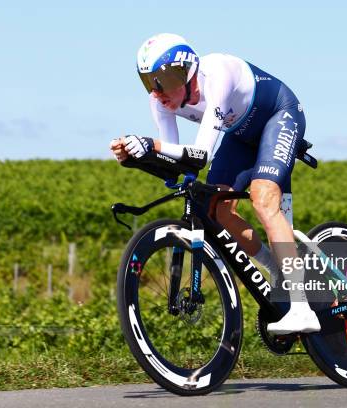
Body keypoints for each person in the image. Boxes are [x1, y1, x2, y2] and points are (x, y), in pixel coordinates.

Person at [110, 33, 320, 334]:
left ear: (187, 71)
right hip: (241, 135)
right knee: (216, 210)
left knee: (263, 199)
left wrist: (150, 144)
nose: (157, 92)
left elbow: (201, 155)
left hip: (279, 114)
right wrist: (136, 157)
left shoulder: (217, 75)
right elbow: (176, 164)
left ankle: (301, 308)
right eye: (149, 82)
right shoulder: (161, 103)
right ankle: (276, 269)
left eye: (163, 80)